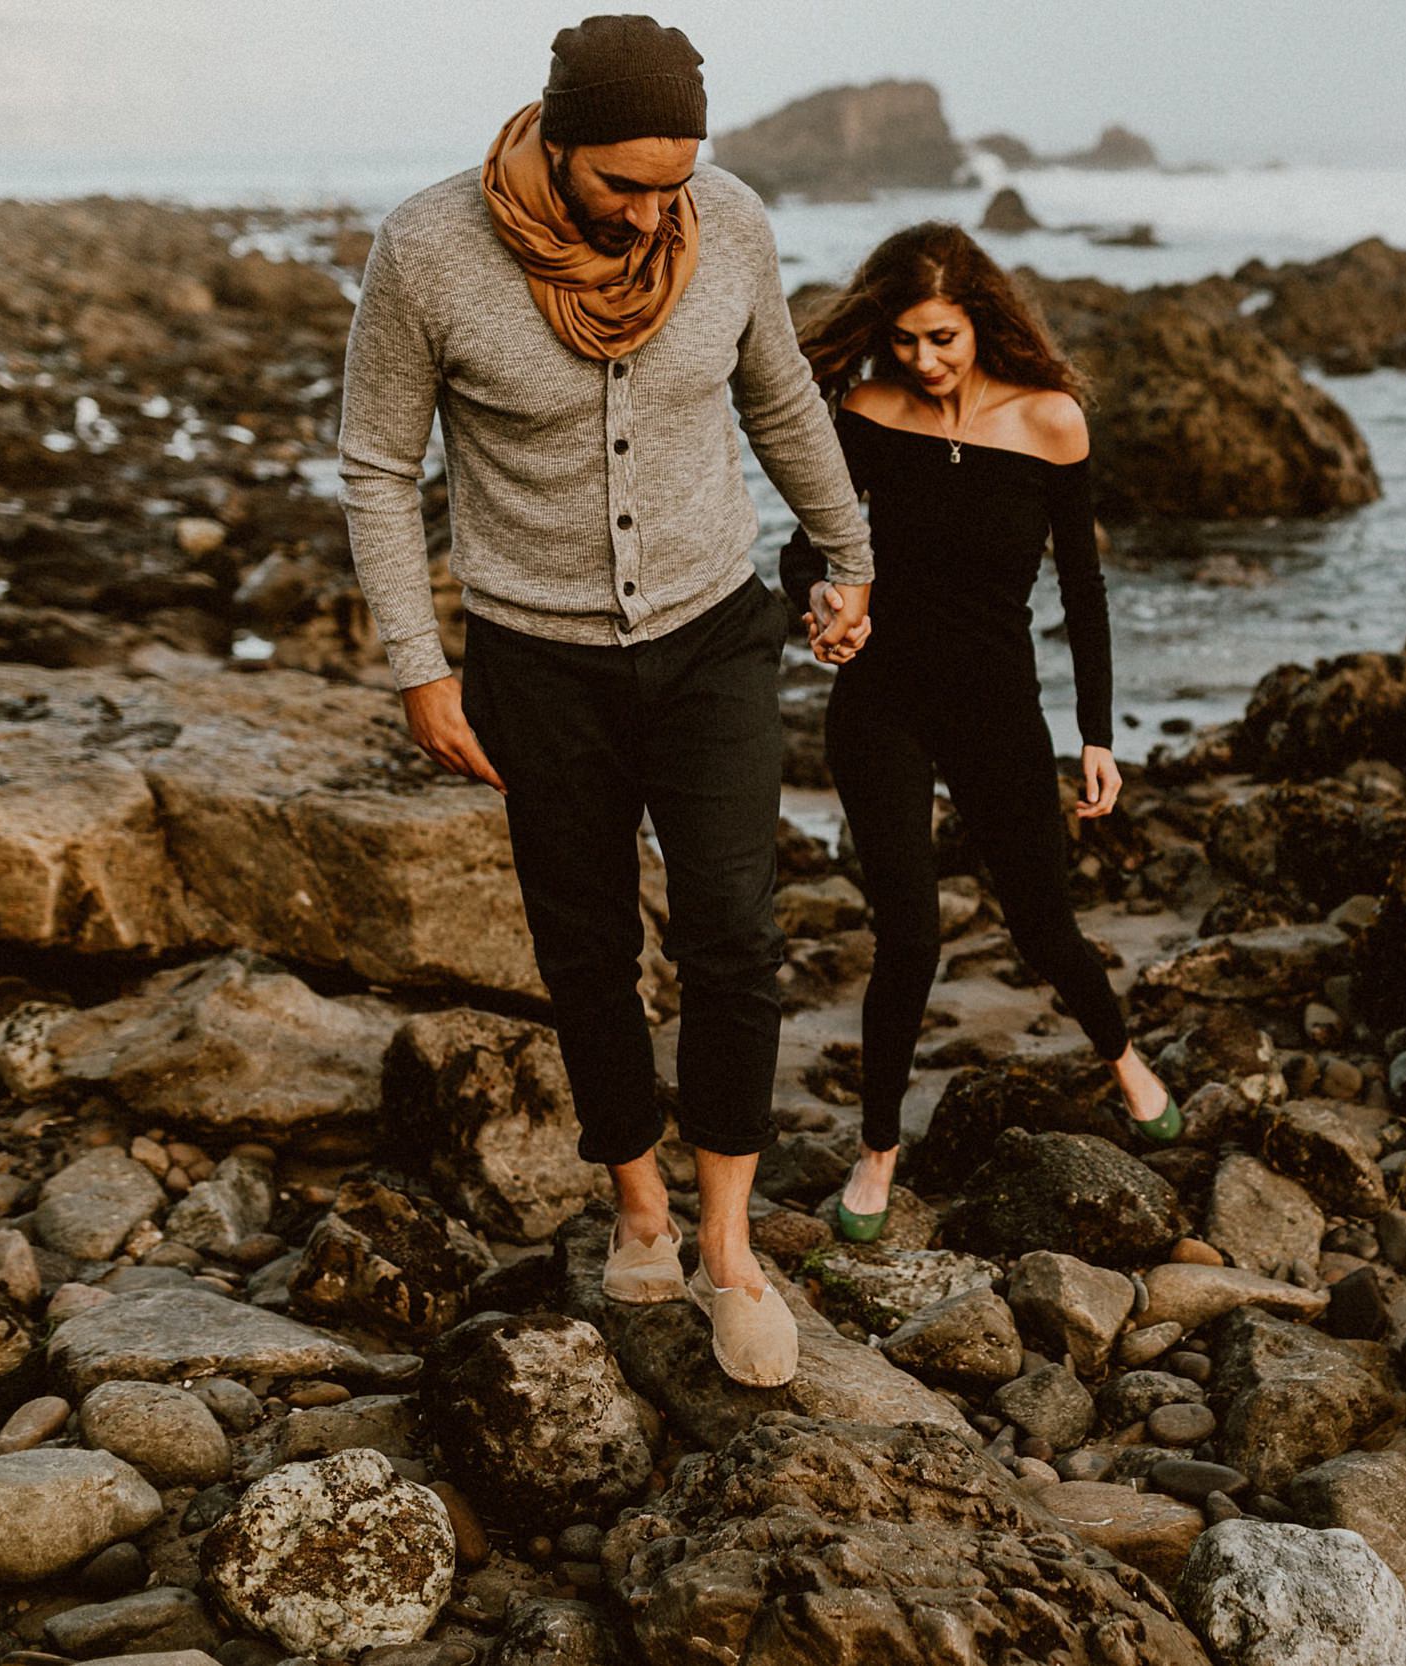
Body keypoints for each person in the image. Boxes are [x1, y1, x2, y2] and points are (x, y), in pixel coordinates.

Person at [337, 14, 873, 1387]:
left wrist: (849, 550)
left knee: (735, 935)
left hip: (714, 629)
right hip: (536, 653)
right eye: (622, 185)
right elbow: (380, 467)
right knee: (584, 945)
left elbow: (784, 396)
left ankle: (729, 1244)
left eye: (673, 184)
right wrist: (418, 660)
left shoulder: (727, 223)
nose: (649, 215)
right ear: (554, 141)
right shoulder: (429, 247)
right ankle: (636, 1203)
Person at [782, 222, 1178, 1243]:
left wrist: (1096, 732)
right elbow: (806, 552)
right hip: (880, 702)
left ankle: (1123, 1057)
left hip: (1001, 706)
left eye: (941, 338)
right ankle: (876, 1153)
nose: (922, 360)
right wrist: (823, 606)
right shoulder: (864, 411)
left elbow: (1083, 591)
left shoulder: (1051, 422)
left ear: (982, 322)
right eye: (905, 339)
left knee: (1043, 924)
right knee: (906, 935)